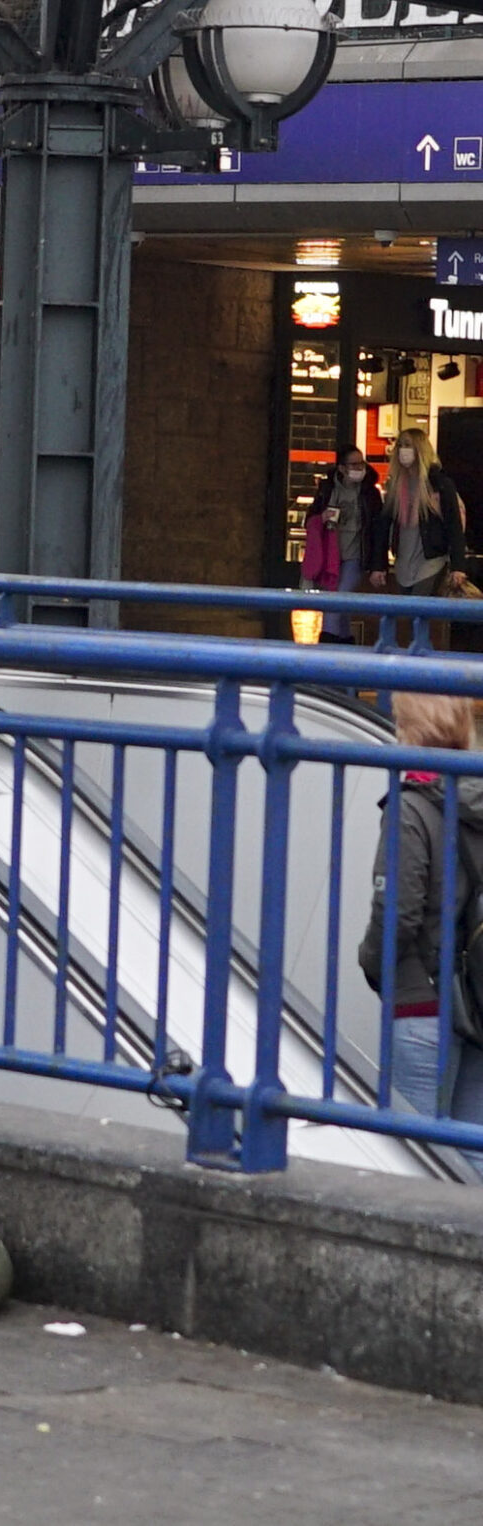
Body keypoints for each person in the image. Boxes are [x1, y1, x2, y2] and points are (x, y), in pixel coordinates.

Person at [358, 692, 483, 1173]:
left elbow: (398, 913)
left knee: (413, 1152)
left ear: (409, 728)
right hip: (478, 998)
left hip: (423, 997)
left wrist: (371, 962)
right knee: (471, 1144)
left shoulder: (410, 807)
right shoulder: (475, 797)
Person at [305, 446, 383, 644]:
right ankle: (345, 645)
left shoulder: (370, 494)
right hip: (331, 555)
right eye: (354, 464)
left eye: (362, 463)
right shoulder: (327, 490)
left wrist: (378, 565)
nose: (359, 468)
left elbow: (378, 531)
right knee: (341, 607)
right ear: (341, 468)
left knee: (337, 599)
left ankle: (327, 648)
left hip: (355, 556)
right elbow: (310, 519)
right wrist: (322, 517)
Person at [383, 426, 466, 606]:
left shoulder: (440, 484)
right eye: (401, 445)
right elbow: (384, 525)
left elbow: (454, 525)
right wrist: (378, 564)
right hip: (403, 562)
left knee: (417, 609)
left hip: (430, 561)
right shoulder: (395, 485)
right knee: (407, 613)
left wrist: (458, 566)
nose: (403, 450)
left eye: (408, 445)